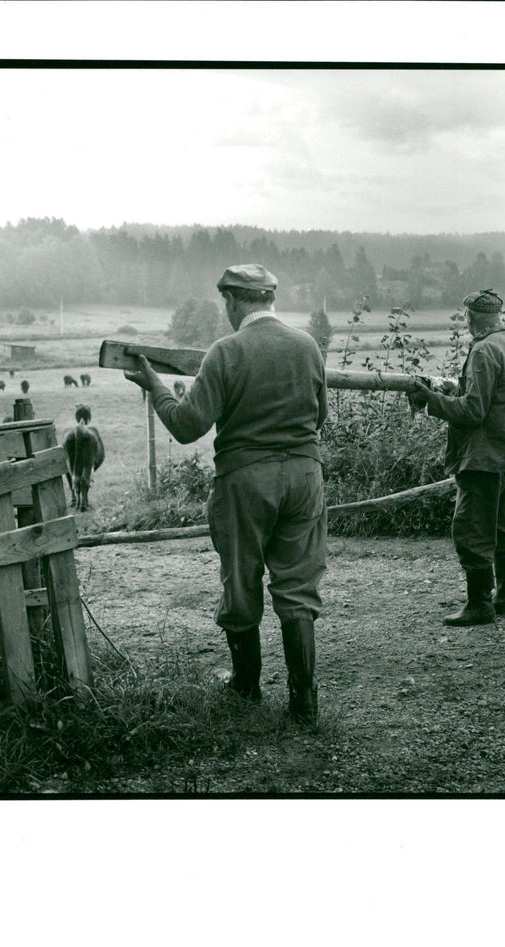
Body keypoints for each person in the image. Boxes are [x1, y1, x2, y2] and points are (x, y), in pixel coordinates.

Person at [124, 264, 328, 727]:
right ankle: (304, 701)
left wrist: (156, 387)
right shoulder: (307, 346)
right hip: (304, 476)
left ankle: (247, 686)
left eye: (226, 302)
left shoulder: (226, 351)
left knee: (241, 580)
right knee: (297, 586)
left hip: (246, 482)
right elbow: (321, 417)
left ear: (233, 301)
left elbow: (187, 425)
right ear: (270, 299)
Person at [408, 289, 505, 626]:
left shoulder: (483, 350)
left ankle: (480, 603)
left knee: (472, 528)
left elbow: (474, 409)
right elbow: (498, 398)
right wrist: (453, 392)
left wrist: (431, 400)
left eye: (465, 316)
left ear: (471, 317)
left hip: (486, 455)